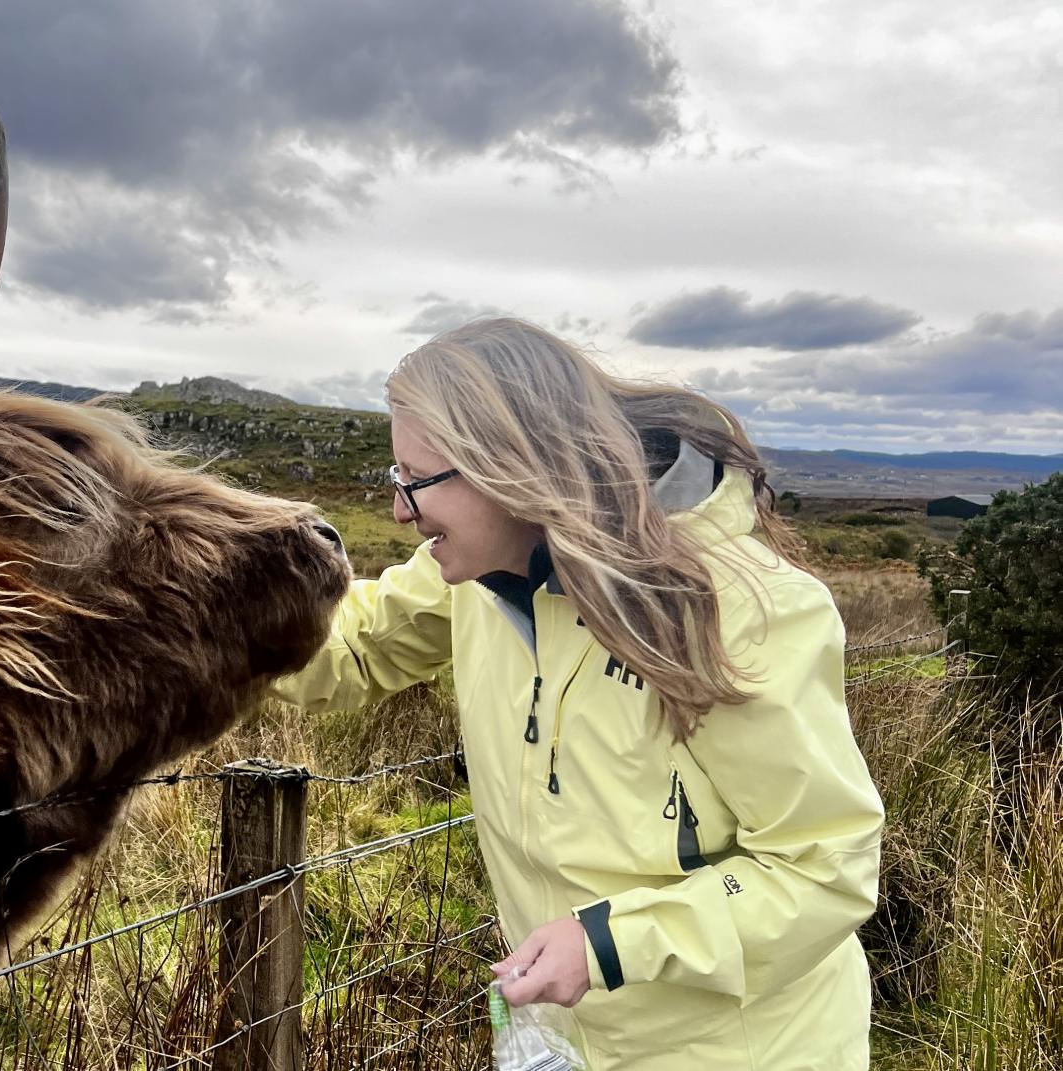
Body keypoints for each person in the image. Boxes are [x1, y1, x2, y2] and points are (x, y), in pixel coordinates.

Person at [274, 318, 884, 1070]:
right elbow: (349, 647)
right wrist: (165, 624)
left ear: (514, 467)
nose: (400, 510)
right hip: (561, 1042)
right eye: (393, 480)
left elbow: (822, 866)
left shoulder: (742, 612)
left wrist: (606, 943)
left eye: (416, 480)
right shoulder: (470, 572)